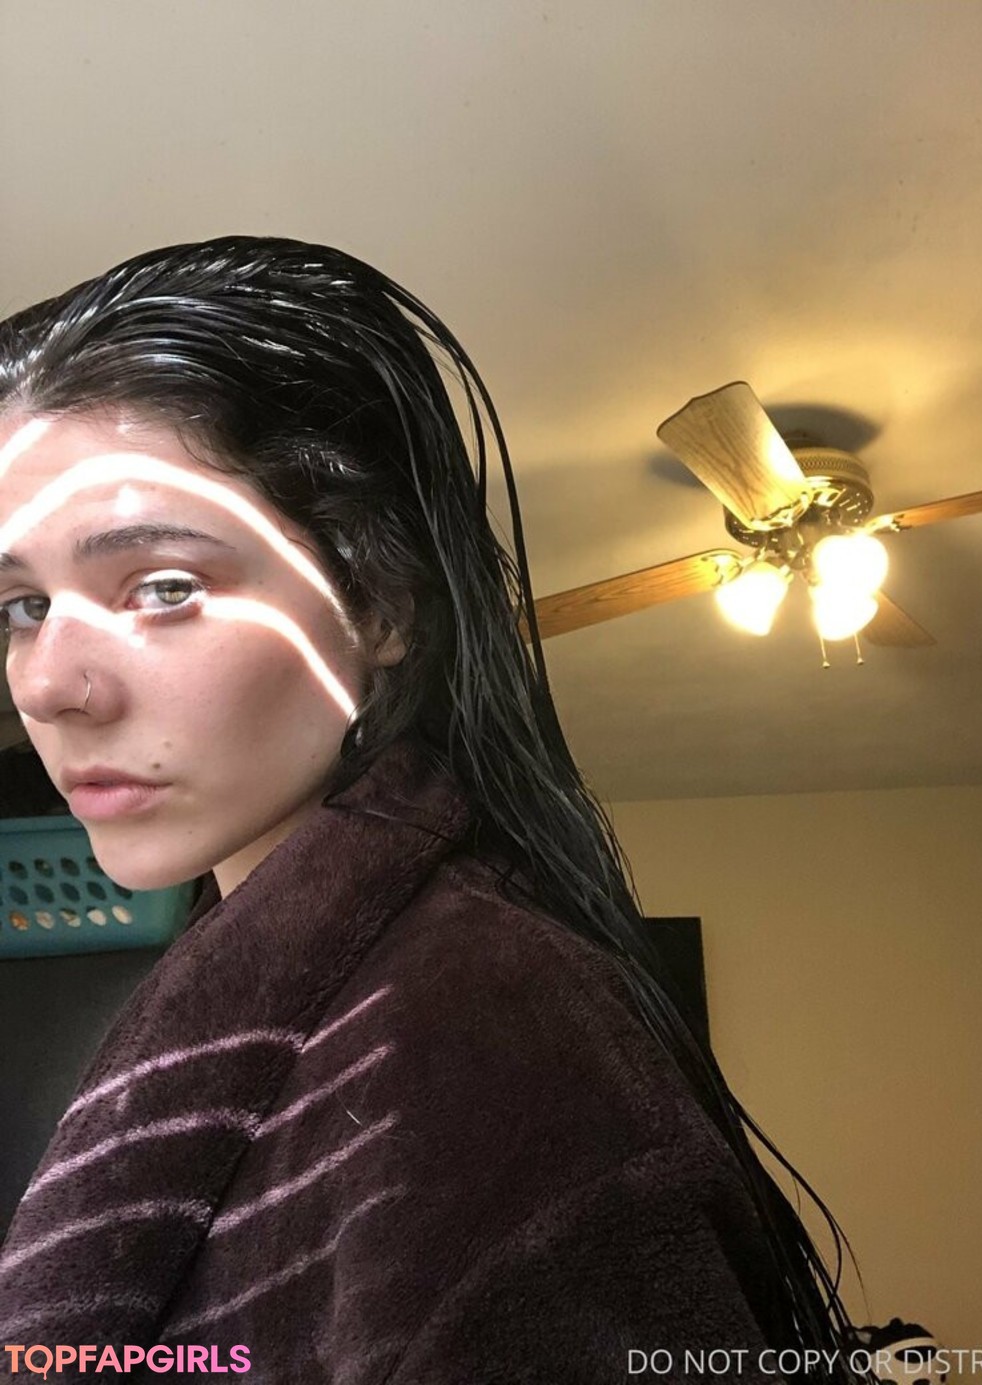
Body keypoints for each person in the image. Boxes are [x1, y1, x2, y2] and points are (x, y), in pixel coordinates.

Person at [0, 237, 856, 1383]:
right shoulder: (306, 994)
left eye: (162, 586)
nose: (49, 683)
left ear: (380, 603)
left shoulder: (487, 1046)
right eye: (23, 604)